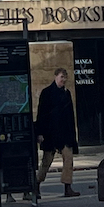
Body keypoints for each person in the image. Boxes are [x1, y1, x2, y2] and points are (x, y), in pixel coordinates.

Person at [34, 67, 80, 197]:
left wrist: (72, 135)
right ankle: (36, 184)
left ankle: (67, 186)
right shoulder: (47, 93)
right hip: (50, 133)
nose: (63, 80)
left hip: (65, 133)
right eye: (61, 77)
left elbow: (70, 115)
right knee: (46, 161)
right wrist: (40, 133)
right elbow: (41, 114)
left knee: (68, 159)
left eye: (65, 78)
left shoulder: (66, 93)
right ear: (56, 77)